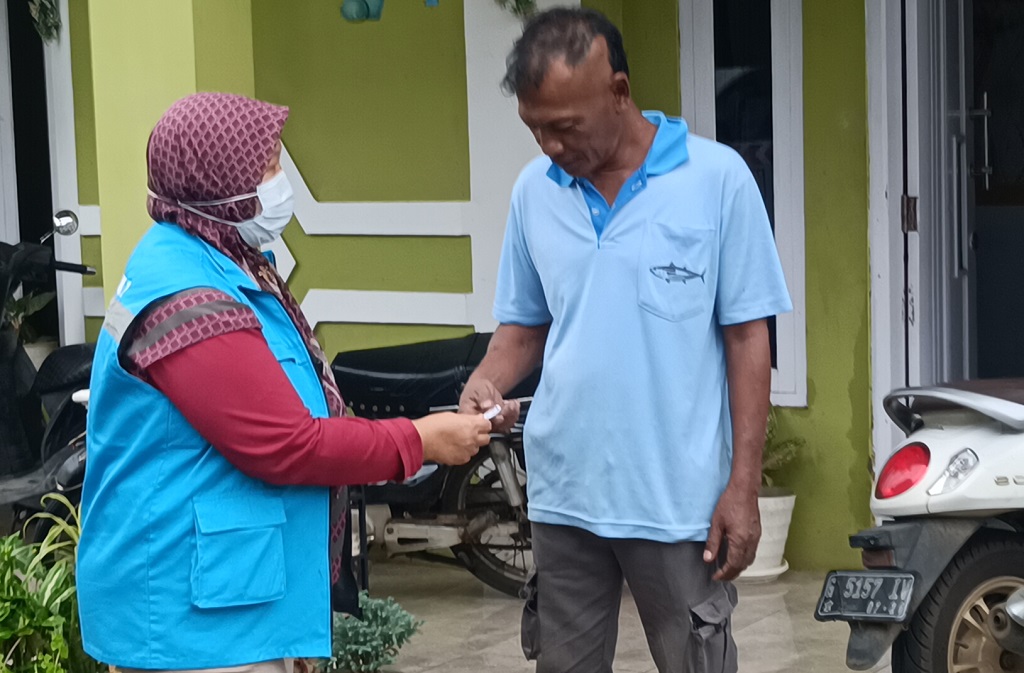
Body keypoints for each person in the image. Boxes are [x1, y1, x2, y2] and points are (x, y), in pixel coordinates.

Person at [76, 93, 492, 673]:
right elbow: (286, 444)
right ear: (218, 181)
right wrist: (420, 440)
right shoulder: (188, 300)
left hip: (229, 597)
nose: (280, 181)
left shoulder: (225, 260)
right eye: (267, 165)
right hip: (189, 620)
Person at [458, 9, 793, 673]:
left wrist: (743, 486)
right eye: (535, 129)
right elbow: (524, 327)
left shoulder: (716, 180)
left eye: (565, 126)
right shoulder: (534, 193)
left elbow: (747, 339)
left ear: (619, 91)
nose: (550, 147)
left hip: (678, 503)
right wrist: (485, 380)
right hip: (564, 495)